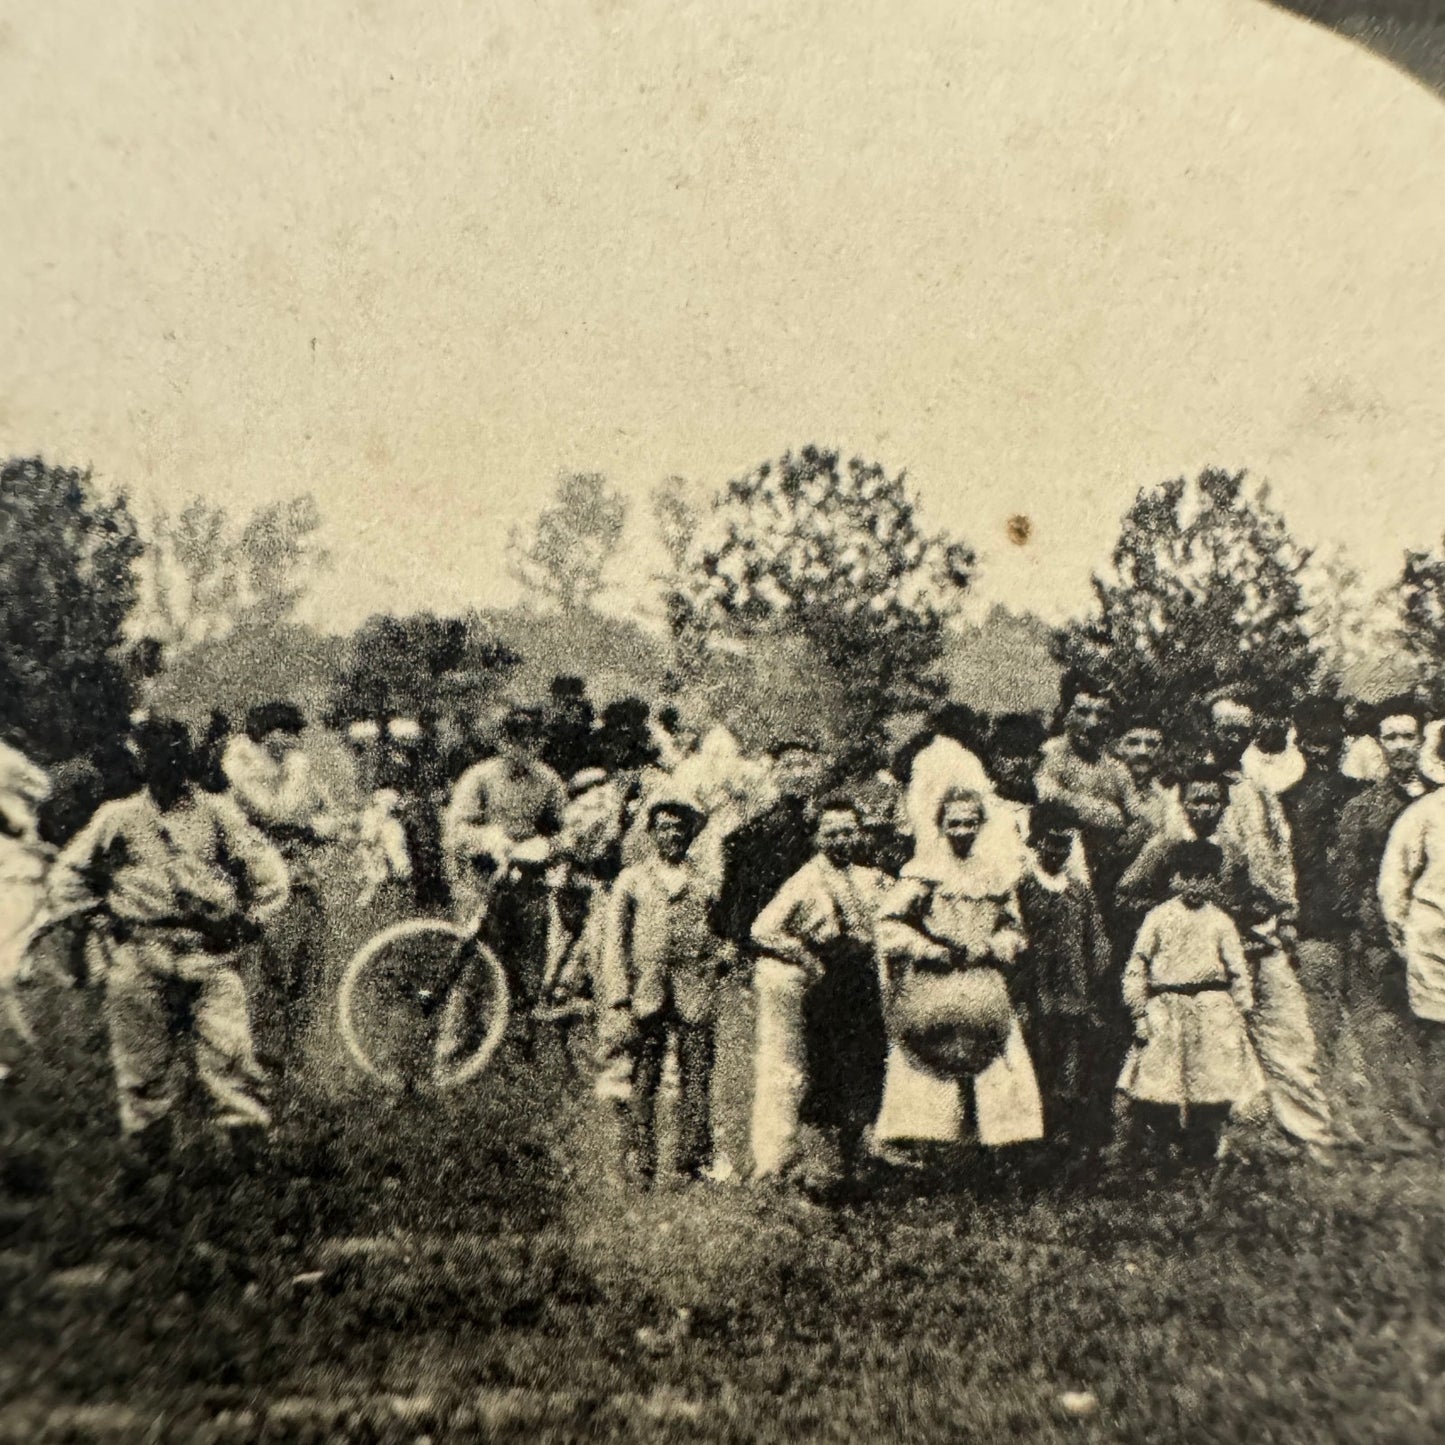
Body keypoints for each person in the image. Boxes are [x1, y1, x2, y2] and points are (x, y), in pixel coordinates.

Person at [43, 718, 290, 1169]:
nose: (165, 767)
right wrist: (96, 915)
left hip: (209, 953)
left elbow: (268, 870)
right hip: (142, 949)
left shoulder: (217, 812)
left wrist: (250, 922)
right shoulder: (117, 817)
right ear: (141, 762)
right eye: (154, 757)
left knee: (230, 1050)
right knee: (141, 1062)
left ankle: (249, 1154)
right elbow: (67, 874)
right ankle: (149, 1159)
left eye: (174, 755)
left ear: (188, 758)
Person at [873, 746, 1044, 1159]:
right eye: (955, 824)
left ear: (981, 825)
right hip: (935, 978)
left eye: (970, 823)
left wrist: (993, 946)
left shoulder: (994, 873)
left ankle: (1003, 1141)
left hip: (982, 975)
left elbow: (1013, 928)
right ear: (941, 825)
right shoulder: (924, 871)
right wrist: (926, 948)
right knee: (927, 1055)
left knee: (998, 1053)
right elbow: (887, 923)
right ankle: (927, 1139)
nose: (963, 831)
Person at [749, 793, 890, 1189]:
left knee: (866, 1067)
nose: (842, 840)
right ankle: (824, 1168)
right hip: (830, 986)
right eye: (832, 833)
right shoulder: (806, 879)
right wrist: (807, 959)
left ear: (859, 833)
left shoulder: (869, 876)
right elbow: (762, 929)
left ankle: (859, 1160)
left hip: (864, 984)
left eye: (848, 831)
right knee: (828, 1070)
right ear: (817, 837)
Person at [597, 798, 727, 1186]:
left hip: (695, 989)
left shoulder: (705, 881)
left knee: (697, 1072)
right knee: (644, 1073)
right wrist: (619, 995)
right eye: (664, 827)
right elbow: (615, 943)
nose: (672, 834)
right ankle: (641, 1154)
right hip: (647, 992)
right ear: (651, 833)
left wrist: (721, 953)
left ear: (690, 834)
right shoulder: (632, 880)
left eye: (679, 827)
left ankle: (694, 1156)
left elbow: (719, 932)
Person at [1116, 841, 1261, 1175]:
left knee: (1210, 1081)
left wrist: (1241, 1010)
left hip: (1212, 1008)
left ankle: (1203, 1150)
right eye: (1188, 876)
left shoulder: (1221, 922)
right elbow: (1138, 966)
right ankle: (1161, 1149)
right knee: (1160, 1081)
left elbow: (1238, 970)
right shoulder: (1158, 917)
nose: (1195, 885)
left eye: (1203, 877)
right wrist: (1139, 1012)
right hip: (1166, 1006)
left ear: (1214, 881)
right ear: (1175, 878)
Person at [1328, 695, 1436, 1145]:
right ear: (1378, 743)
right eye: (1388, 737)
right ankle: (1399, 1127)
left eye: (1407, 736)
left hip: (1435, 936)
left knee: (1434, 1029)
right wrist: (1376, 931)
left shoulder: (1438, 800)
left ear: (1422, 739)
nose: (1399, 746)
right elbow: (1347, 878)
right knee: (1386, 1031)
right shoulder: (1362, 808)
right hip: (1380, 939)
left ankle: (1435, 1117)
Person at [222, 702, 342, 1084]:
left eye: (294, 735)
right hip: (259, 884)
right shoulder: (241, 761)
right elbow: (280, 813)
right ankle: (261, 1057)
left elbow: (330, 816)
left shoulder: (292, 766)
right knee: (267, 970)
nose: (291, 743)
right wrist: (306, 815)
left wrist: (315, 826)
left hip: (302, 879)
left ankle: (294, 1053)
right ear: (264, 733)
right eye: (283, 733)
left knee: (310, 967)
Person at [442, 701, 568, 1026]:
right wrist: (488, 838)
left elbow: (564, 833)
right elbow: (457, 830)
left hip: (527, 888)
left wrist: (545, 846)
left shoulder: (548, 782)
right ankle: (453, 1058)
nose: (522, 747)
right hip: (481, 884)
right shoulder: (479, 778)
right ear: (501, 740)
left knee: (526, 970)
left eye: (531, 739)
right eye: (514, 738)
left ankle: (516, 1055)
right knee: (471, 971)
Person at [1015, 802, 1115, 1161]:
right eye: (1051, 842)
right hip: (1037, 994)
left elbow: (1098, 941)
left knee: (1071, 1067)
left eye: (1065, 843)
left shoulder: (1079, 892)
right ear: (1035, 842)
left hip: (1074, 995)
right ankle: (1033, 1143)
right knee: (1037, 1062)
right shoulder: (1022, 888)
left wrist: (1091, 978)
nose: (1058, 851)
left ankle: (1065, 1141)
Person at [1279, 699, 1363, 1068]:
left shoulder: (1364, 796)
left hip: (1359, 928)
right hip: (1314, 926)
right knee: (1322, 1024)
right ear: (1299, 744)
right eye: (1313, 742)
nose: (1321, 751)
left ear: (1342, 742)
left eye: (1328, 741)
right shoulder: (1286, 801)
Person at [714, 739, 830, 952]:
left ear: (818, 771)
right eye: (788, 766)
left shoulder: (830, 822)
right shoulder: (758, 831)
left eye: (805, 766)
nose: (797, 774)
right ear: (775, 773)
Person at [1376, 782, 1445, 1130]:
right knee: (1437, 1027)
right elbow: (1395, 878)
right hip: (1435, 939)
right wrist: (1404, 931)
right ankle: (1436, 1119)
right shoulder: (1425, 812)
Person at [1035, 674, 1133, 913]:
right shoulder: (1050, 754)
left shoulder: (1117, 769)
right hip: (1054, 869)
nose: (1092, 723)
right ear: (1065, 712)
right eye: (1082, 712)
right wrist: (1107, 811)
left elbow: (1133, 816)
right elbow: (1047, 795)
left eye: (1102, 715)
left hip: (1103, 873)